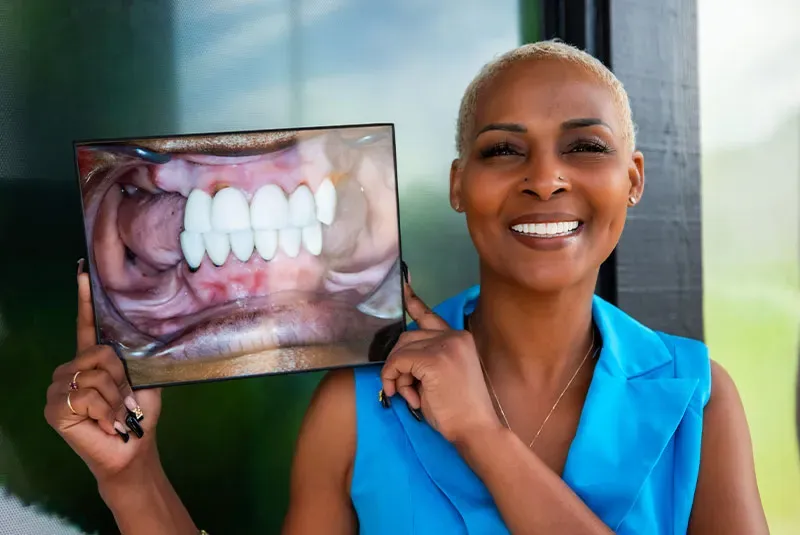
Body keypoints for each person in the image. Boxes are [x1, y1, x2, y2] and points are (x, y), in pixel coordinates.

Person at [45, 40, 769, 534]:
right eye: (503, 149)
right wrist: (133, 479)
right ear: (459, 185)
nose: (546, 178)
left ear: (633, 179)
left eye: (585, 146)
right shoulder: (357, 405)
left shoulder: (699, 400)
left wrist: (483, 437)